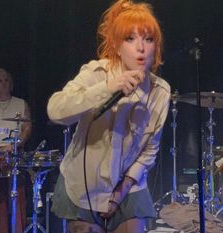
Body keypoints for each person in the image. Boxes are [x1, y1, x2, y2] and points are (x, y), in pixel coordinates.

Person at [47, 0, 170, 232]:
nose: (141, 48)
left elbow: (149, 150)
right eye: (130, 39)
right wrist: (108, 87)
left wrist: (120, 192)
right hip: (84, 185)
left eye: (148, 39)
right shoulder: (96, 73)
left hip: (127, 188)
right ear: (116, 45)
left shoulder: (160, 91)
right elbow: (55, 110)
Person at [0, 68, 32, 233]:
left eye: (6, 80)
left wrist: (13, 145)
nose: (4, 83)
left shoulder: (21, 103)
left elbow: (27, 128)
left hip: (14, 155)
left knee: (17, 200)